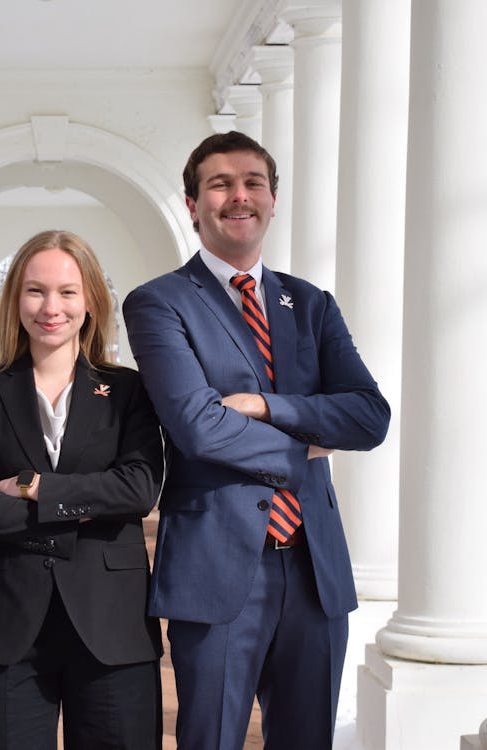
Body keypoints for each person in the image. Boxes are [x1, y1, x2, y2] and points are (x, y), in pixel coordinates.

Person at [122, 131, 391, 750]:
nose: (239, 196)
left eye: (253, 183)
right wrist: (306, 445)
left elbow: (369, 417)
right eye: (220, 185)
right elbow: (197, 426)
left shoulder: (312, 304)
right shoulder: (160, 303)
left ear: (273, 199)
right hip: (217, 570)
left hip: (315, 570)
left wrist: (267, 405)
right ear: (193, 205)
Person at [0, 230, 164, 750]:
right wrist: (90, 502)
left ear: (90, 300)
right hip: (8, 624)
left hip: (112, 622)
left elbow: (138, 489)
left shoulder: (129, 390)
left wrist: (33, 488)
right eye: (36, 291)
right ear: (14, 300)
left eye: (67, 292)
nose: (52, 307)